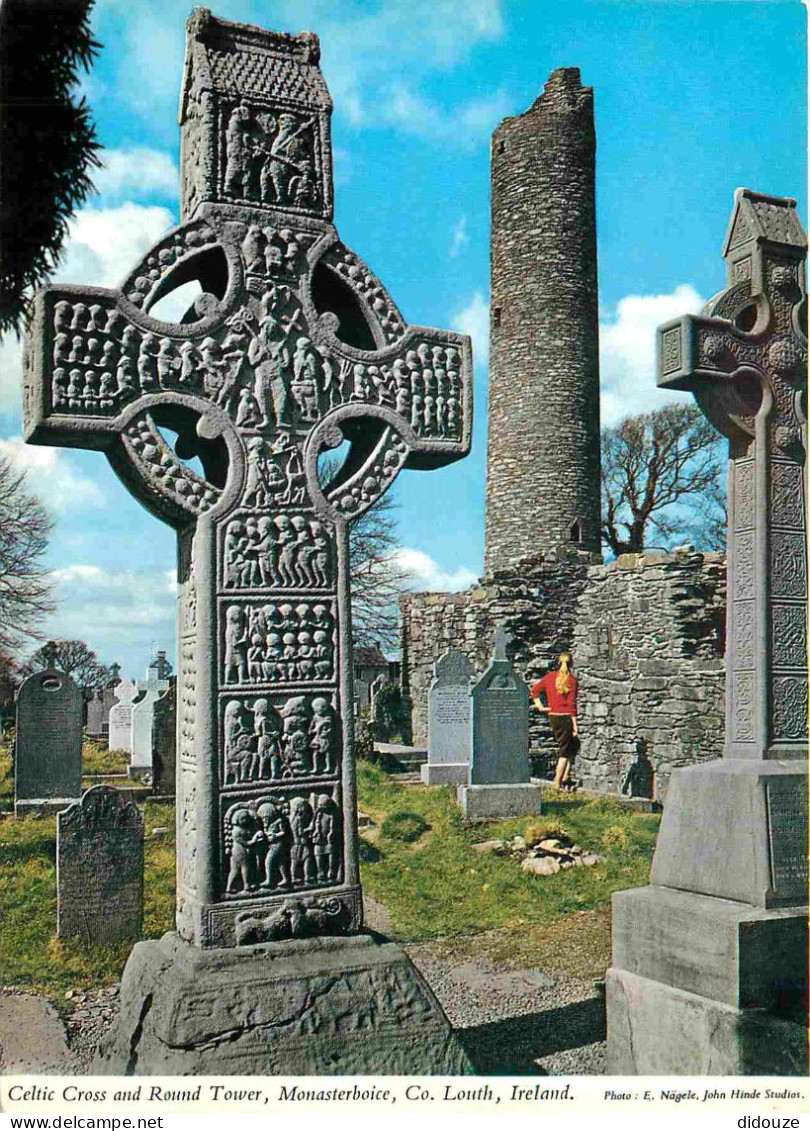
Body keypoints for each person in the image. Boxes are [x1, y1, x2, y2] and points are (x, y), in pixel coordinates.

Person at [531, 652, 579, 791]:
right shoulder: (572, 680)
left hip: (553, 715)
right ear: (571, 664)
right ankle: (557, 782)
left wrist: (541, 707)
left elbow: (534, 691)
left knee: (574, 745)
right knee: (565, 751)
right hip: (565, 717)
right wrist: (575, 726)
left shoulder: (549, 677)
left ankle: (565, 777)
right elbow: (571, 705)